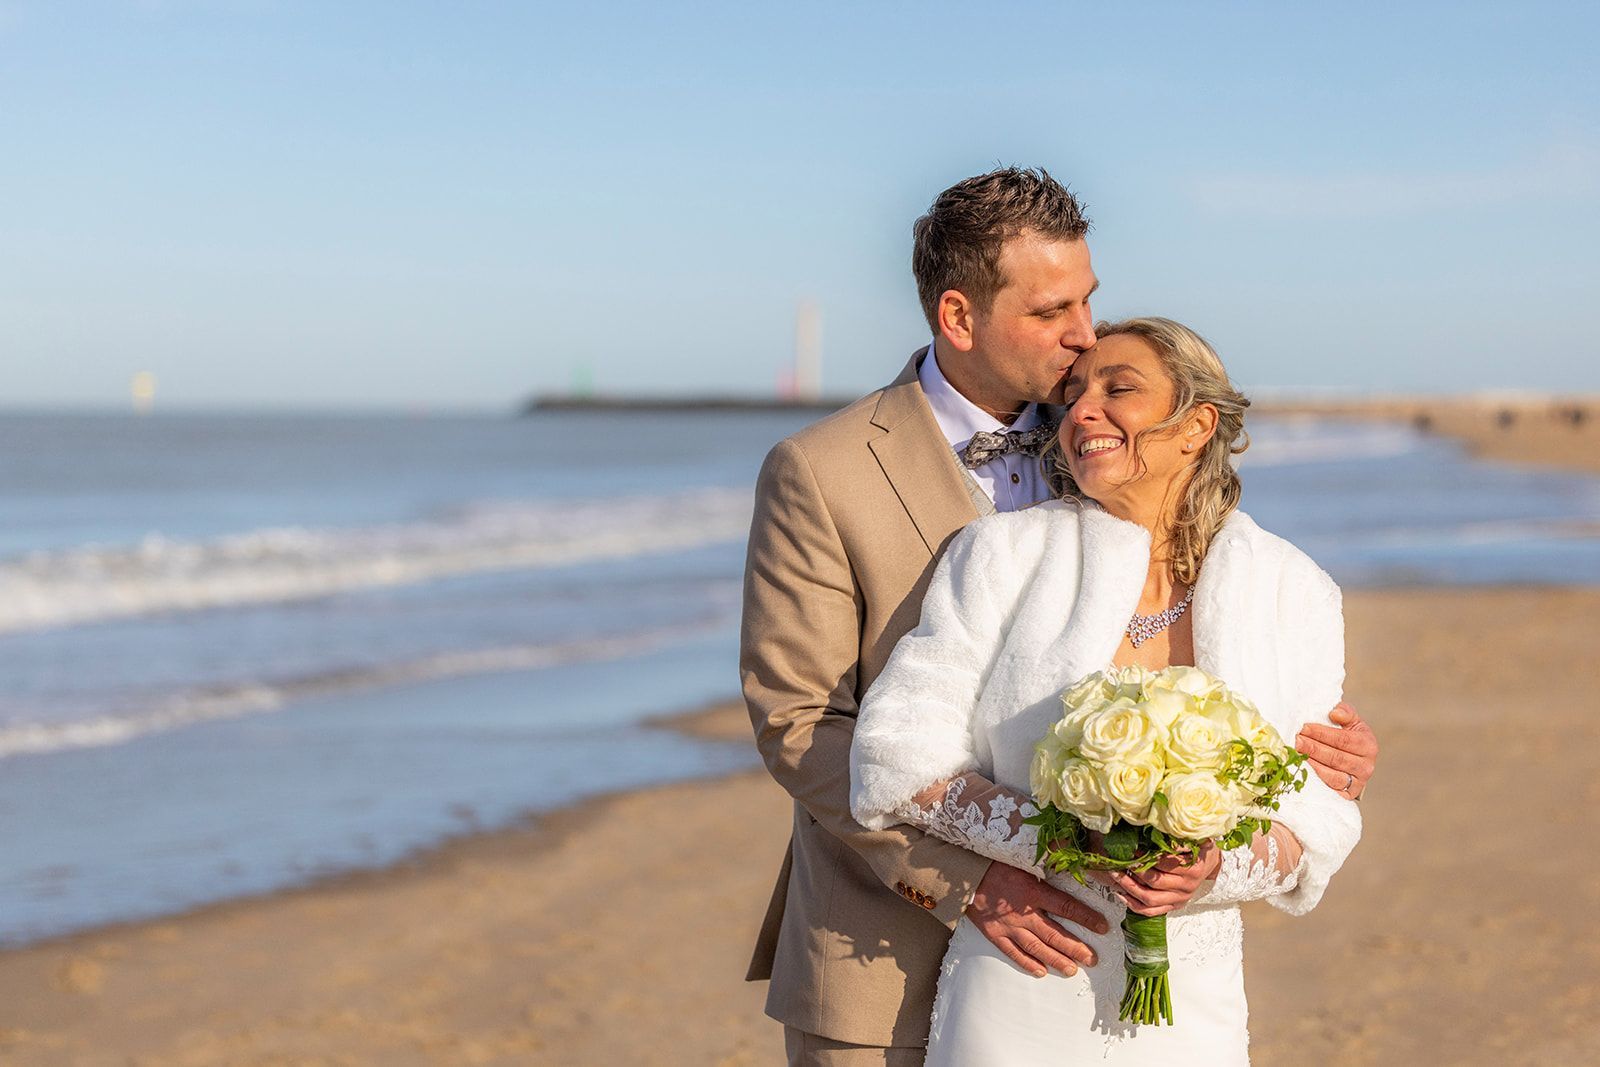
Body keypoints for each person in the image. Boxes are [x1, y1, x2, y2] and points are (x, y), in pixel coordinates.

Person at [741, 167, 1378, 1065]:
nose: (1081, 336)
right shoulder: (823, 469)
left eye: (1088, 300)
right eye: (1051, 312)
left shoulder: (1117, 434)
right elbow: (800, 722)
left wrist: (1324, 754)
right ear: (959, 318)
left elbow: (1244, 644)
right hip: (877, 947)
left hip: (1130, 974)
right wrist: (971, 876)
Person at [850, 316, 1359, 1064]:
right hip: (1020, 976)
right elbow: (898, 759)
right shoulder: (1002, 557)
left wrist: (1213, 867)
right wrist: (1063, 841)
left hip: (1193, 1002)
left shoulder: (1293, 590)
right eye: (1075, 395)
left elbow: (1315, 818)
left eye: (1119, 388)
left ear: (1196, 426)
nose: (1082, 411)